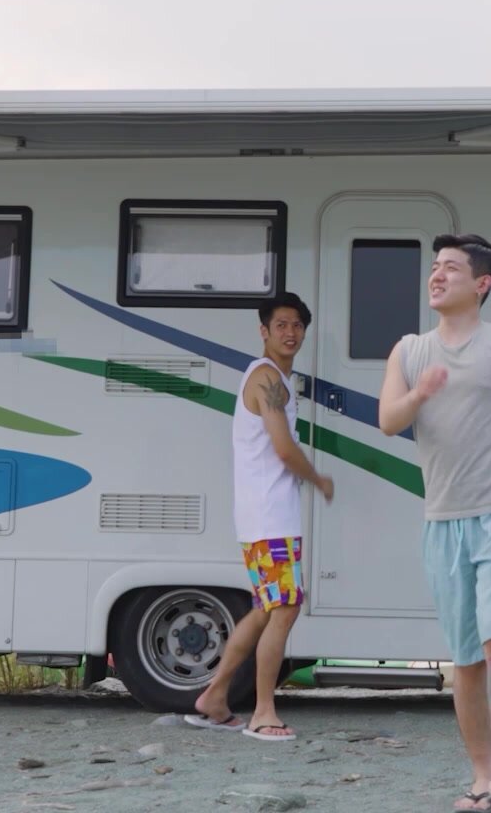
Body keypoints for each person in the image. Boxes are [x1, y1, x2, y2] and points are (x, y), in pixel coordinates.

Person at [378, 234, 491, 811]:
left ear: (482, 284)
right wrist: (420, 393)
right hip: (445, 520)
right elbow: (388, 420)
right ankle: (483, 777)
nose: (437, 276)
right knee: (465, 658)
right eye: (435, 267)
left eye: (451, 268)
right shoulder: (409, 351)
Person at [186, 292, 334, 740]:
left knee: (265, 609)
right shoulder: (268, 377)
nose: (291, 333)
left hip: (263, 515)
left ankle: (215, 696)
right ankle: (263, 712)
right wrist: (318, 479)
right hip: (271, 518)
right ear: (263, 331)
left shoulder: (274, 378)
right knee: (285, 607)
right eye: (281, 325)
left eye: (297, 325)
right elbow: (283, 448)